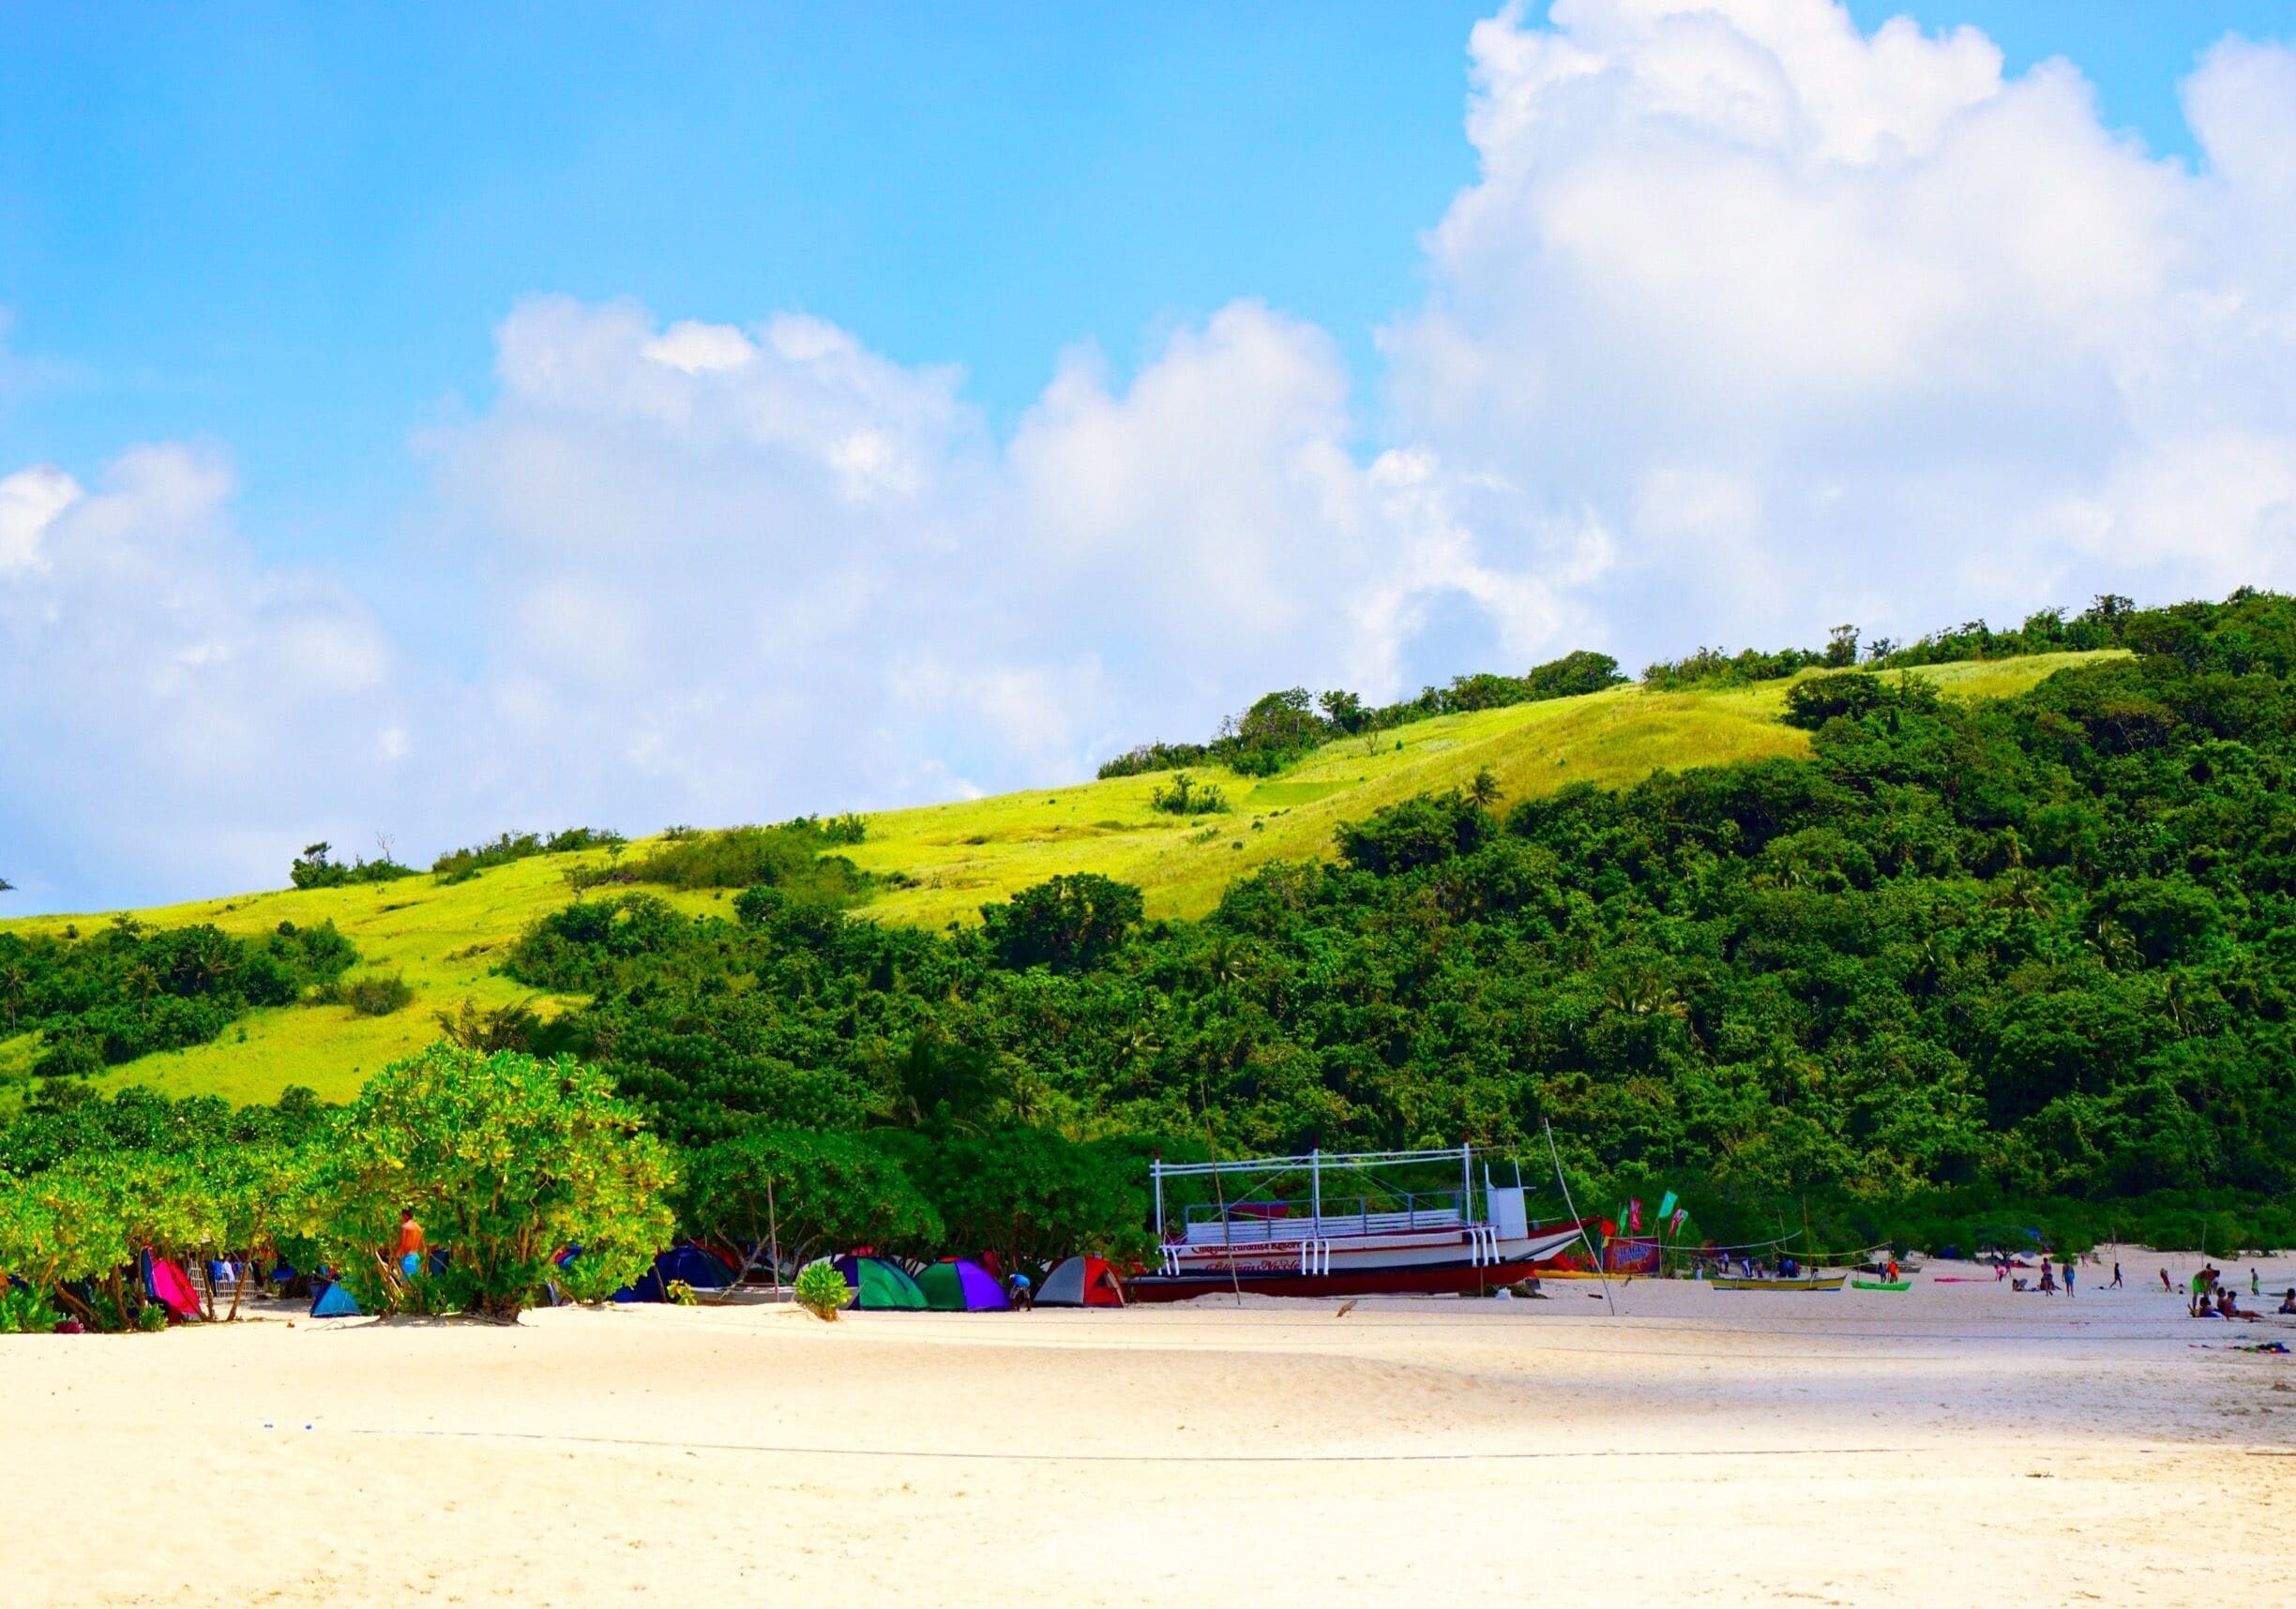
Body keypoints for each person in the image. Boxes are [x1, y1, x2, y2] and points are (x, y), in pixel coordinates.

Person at [396, 1207, 426, 1280]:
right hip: (416, 1258)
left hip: (408, 1259)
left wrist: (395, 1254)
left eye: (402, 1216)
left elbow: (402, 1244)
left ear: (405, 1216)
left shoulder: (405, 1227)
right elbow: (423, 1246)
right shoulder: (419, 1228)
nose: (401, 1219)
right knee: (414, 1285)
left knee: (406, 1287)